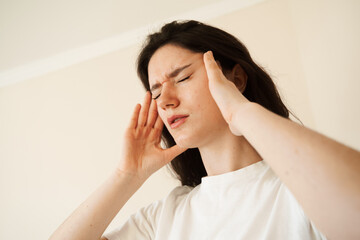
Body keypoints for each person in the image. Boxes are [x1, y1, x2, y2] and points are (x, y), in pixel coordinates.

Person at [49, 20, 360, 240]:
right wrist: (126, 176)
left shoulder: (300, 189)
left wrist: (241, 112)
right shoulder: (165, 217)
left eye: (182, 78)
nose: (166, 101)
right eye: (156, 92)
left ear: (236, 79)